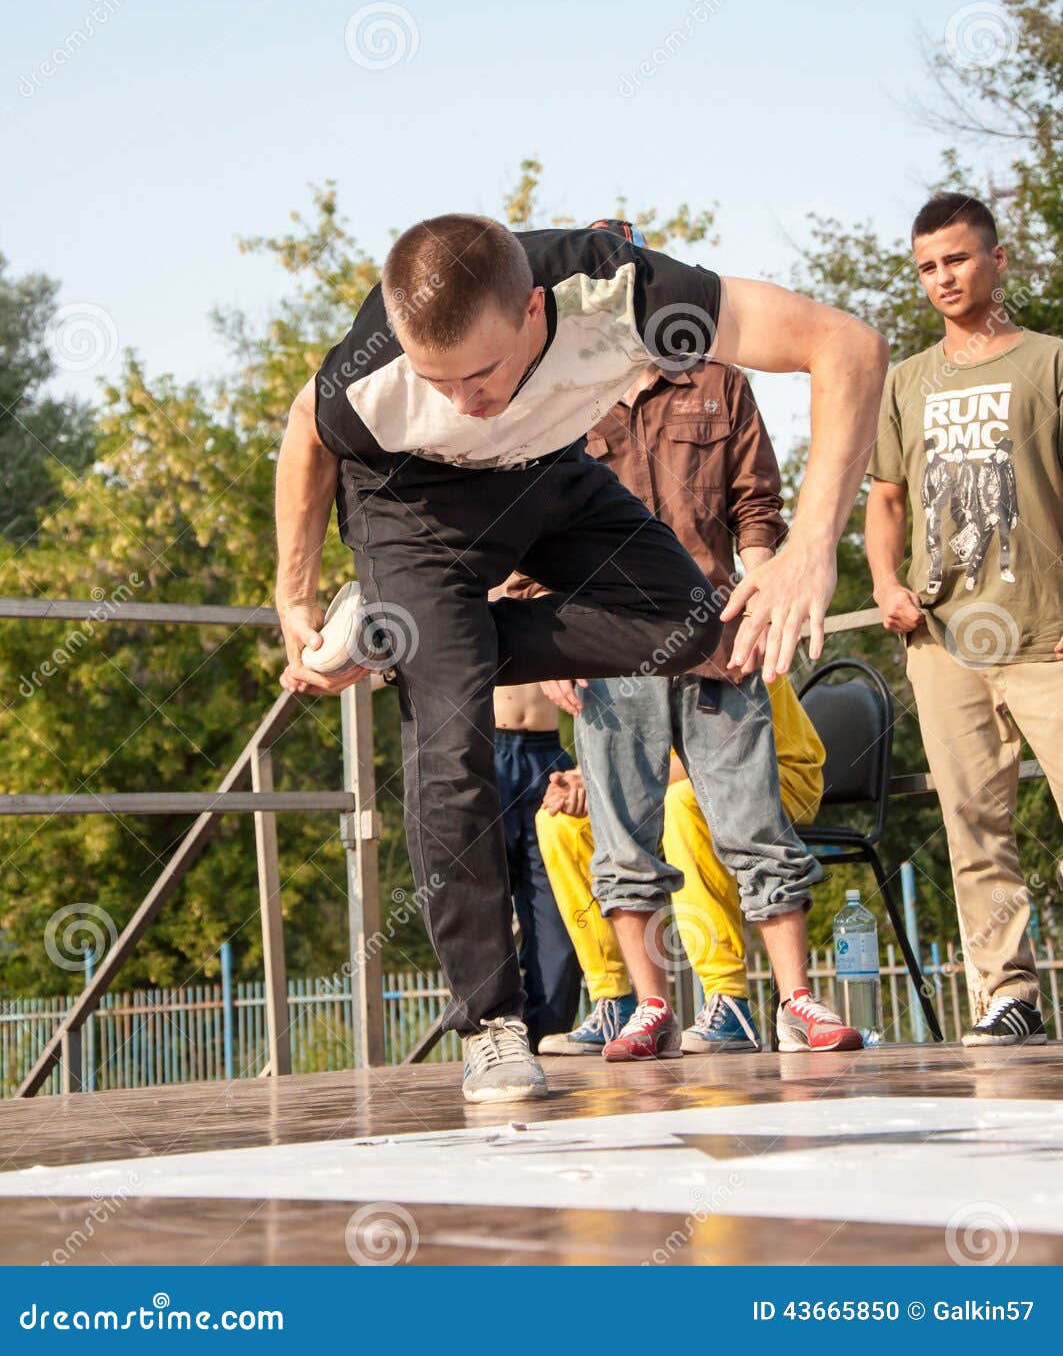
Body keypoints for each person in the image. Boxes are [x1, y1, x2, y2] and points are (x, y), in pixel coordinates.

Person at [275, 214, 886, 1102]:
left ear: (530, 310)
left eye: (480, 373)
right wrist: (293, 594)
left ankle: (420, 639)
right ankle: (489, 1022)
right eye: (436, 381)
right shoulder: (367, 375)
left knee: (698, 637)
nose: (463, 401)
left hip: (545, 478)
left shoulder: (626, 292)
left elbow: (847, 346)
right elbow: (306, 428)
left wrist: (812, 546)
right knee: (452, 742)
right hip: (413, 510)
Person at [534, 358, 860, 1057]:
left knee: (752, 820)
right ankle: (649, 1008)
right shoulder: (558, 393)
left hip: (716, 633)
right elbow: (535, 529)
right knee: (619, 833)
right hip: (608, 642)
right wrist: (552, 640)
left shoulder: (716, 381)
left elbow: (755, 498)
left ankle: (796, 999)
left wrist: (763, 581)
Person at [867, 191, 1063, 1047]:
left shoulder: (1048, 363)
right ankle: (1006, 995)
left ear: (995, 259)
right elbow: (883, 501)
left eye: (955, 259)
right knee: (972, 827)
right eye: (926, 267)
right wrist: (882, 583)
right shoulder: (906, 380)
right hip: (942, 642)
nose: (941, 278)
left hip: (1044, 633)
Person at [537, 670, 825, 1054]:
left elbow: (720, 757)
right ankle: (618, 1001)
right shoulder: (628, 646)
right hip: (672, 776)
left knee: (682, 804)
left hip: (777, 772)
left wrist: (593, 783)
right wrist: (583, 781)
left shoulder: (705, 625)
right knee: (560, 824)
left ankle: (728, 999)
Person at [491, 676, 582, 1050]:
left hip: (548, 757)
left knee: (559, 915)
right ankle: (496, 1037)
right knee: (484, 912)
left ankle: (546, 1038)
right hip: (486, 749)